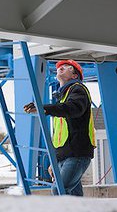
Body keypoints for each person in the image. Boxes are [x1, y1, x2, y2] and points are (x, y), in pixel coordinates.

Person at [23, 59, 95, 196]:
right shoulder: (63, 98)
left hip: (76, 154)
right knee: (74, 196)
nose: (60, 68)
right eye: (59, 67)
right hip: (66, 156)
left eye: (67, 67)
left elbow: (74, 109)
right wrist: (54, 161)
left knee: (59, 189)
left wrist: (44, 108)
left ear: (75, 76)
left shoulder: (78, 89)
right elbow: (59, 135)